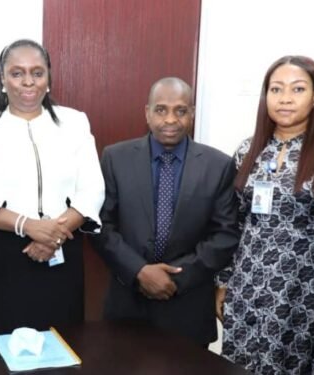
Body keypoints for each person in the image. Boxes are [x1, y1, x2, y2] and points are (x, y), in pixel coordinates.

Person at [216, 56, 314, 374]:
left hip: (304, 290)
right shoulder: (249, 150)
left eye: (297, 89)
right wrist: (224, 281)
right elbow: (236, 223)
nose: (284, 98)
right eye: (276, 89)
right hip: (248, 286)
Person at [0, 39, 104, 335]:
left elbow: (92, 189)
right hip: (4, 256)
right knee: (1, 351)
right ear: (2, 78)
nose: (28, 82)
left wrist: (52, 236)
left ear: (49, 78)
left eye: (37, 73)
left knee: (65, 344)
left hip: (62, 248)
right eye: (17, 73)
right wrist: (29, 226)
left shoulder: (75, 123)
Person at [93, 77, 239, 346]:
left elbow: (225, 235)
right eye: (161, 109)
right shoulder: (115, 158)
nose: (170, 119)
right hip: (128, 301)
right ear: (147, 113)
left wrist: (174, 278)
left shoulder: (218, 165)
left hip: (188, 304)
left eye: (180, 110)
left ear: (192, 114)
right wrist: (140, 271)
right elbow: (101, 225)